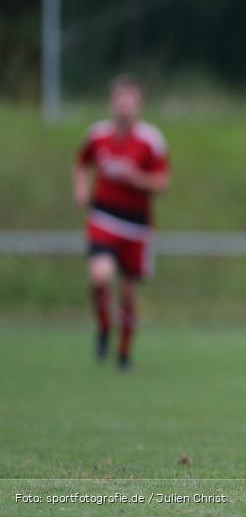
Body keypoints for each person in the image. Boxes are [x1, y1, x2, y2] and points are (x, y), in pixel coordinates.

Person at [73, 76, 169, 370]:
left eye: (130, 101)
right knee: (100, 276)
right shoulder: (97, 135)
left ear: (138, 105)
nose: (124, 106)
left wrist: (135, 177)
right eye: (119, 100)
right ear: (112, 103)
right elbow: (81, 162)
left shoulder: (150, 141)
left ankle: (124, 352)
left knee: (128, 293)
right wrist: (80, 188)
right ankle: (103, 326)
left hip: (136, 225)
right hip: (103, 217)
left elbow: (162, 183)